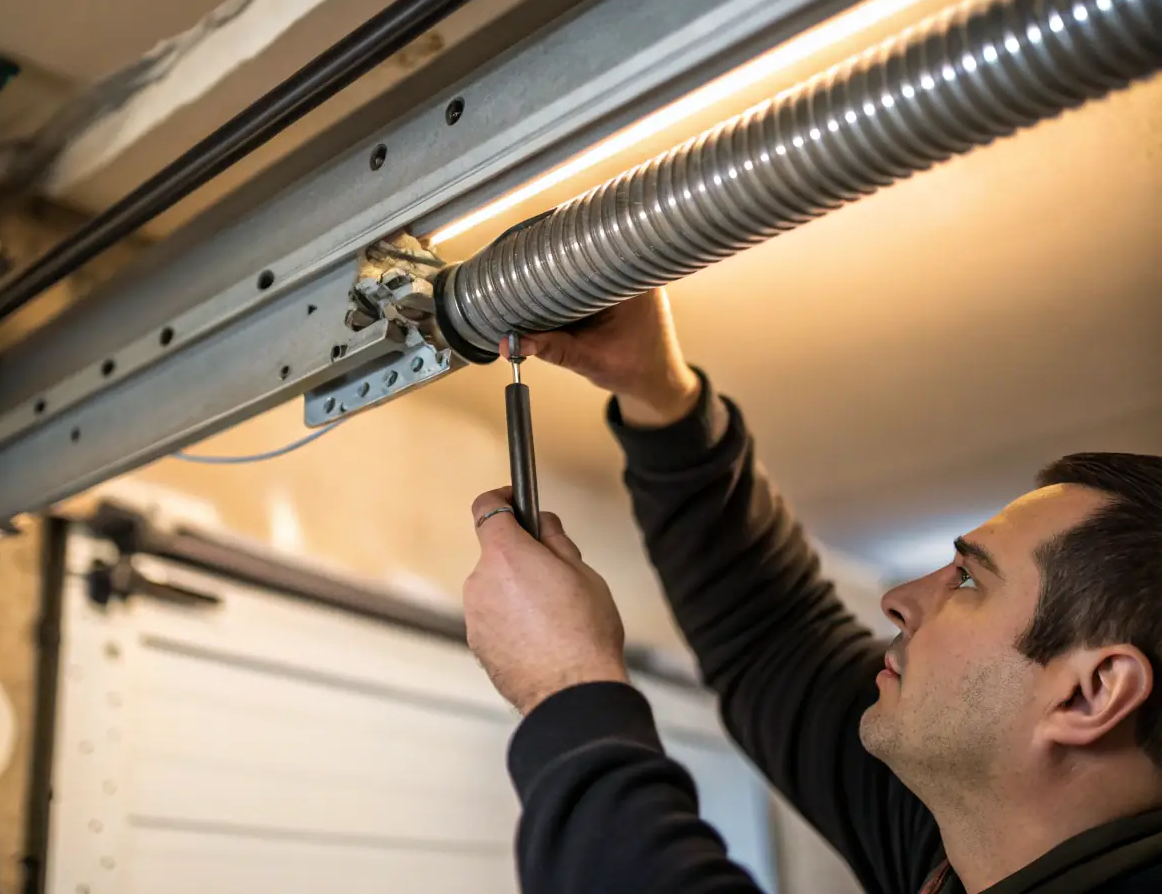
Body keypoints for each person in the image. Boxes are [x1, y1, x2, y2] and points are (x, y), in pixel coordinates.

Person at [462, 290, 1162, 894]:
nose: (898, 599)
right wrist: (658, 393)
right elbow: (771, 637)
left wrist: (567, 688)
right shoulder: (976, 846)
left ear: (1089, 693)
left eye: (969, 578)